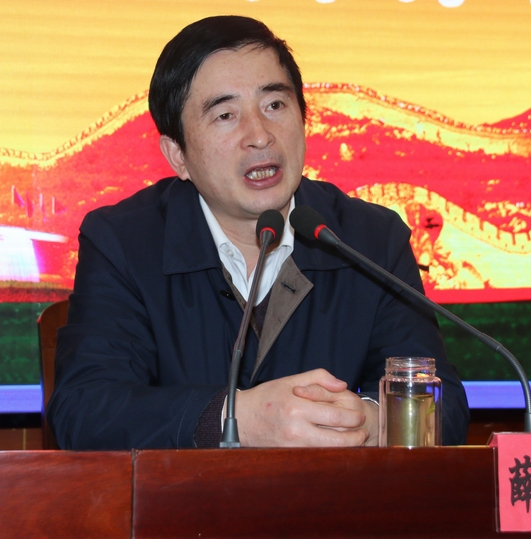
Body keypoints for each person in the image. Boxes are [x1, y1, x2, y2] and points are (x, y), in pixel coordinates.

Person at [47, 15, 469, 449]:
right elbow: (85, 411)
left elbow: (446, 406)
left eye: (275, 105)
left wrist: (370, 420)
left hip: (333, 494)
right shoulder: (123, 242)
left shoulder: (371, 240)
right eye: (225, 115)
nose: (260, 136)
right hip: (184, 494)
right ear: (178, 156)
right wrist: (238, 418)